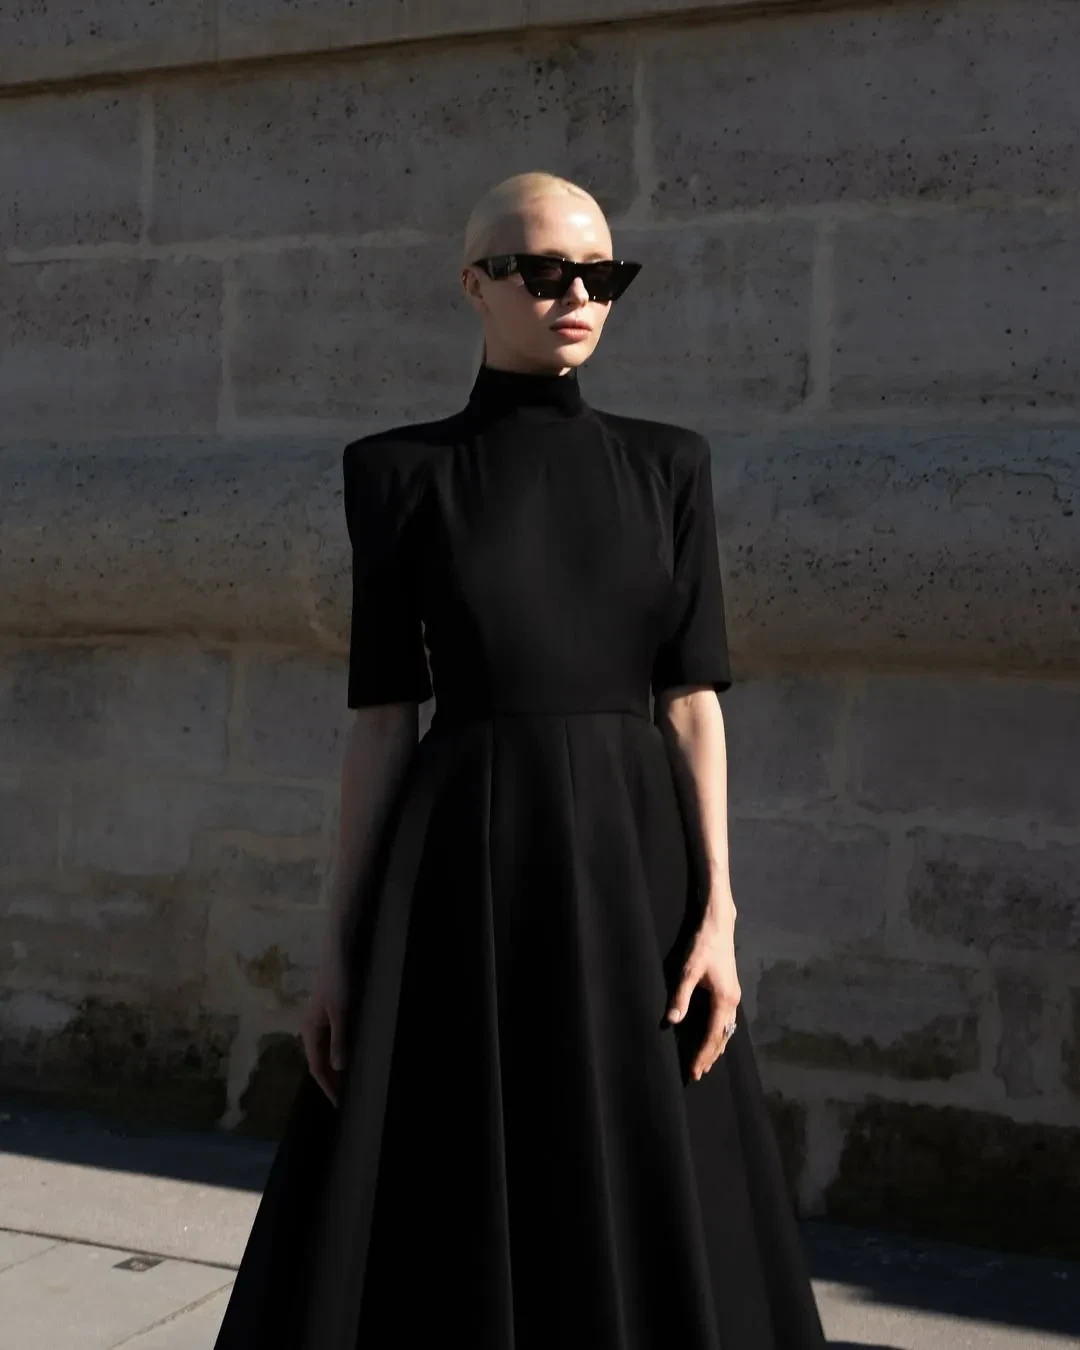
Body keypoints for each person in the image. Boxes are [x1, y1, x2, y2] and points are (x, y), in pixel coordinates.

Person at [213, 171, 827, 1349]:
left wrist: (721, 913)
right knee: (453, 1178)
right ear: (473, 285)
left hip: (637, 872)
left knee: (651, 1165)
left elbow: (692, 701)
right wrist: (338, 945)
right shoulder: (396, 474)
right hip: (463, 867)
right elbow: (383, 719)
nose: (577, 297)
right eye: (544, 273)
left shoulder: (669, 466)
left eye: (602, 275)